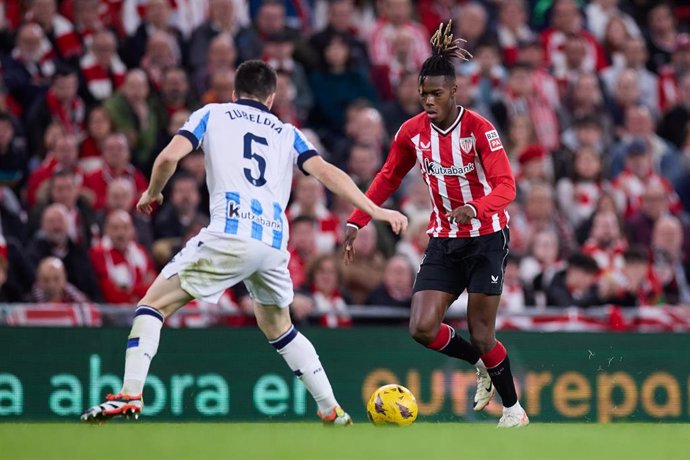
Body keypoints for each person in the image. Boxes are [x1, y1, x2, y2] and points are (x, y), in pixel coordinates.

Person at [81, 60, 407, 425]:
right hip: (272, 243)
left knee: (152, 307)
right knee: (280, 328)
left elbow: (170, 156)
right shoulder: (288, 132)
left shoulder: (213, 114)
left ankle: (129, 394)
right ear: (272, 97)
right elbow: (328, 172)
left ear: (235, 93)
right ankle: (332, 409)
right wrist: (374, 209)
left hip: (230, 233)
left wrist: (152, 192)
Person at [343, 22, 527, 427]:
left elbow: (506, 186)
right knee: (422, 327)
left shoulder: (480, 130)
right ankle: (481, 365)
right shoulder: (412, 132)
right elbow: (387, 177)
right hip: (444, 238)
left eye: (436, 94)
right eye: (422, 93)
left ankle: (513, 410)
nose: (428, 101)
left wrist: (476, 208)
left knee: (482, 331)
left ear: (454, 93)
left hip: (487, 237)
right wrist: (357, 219)